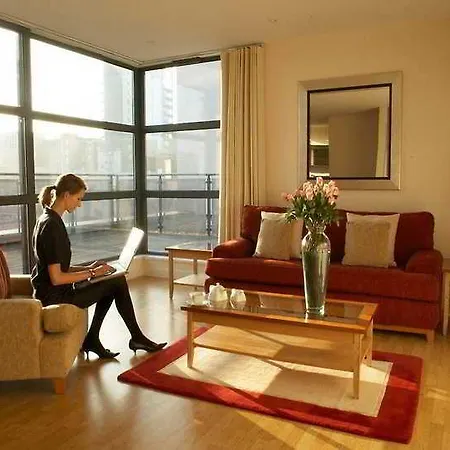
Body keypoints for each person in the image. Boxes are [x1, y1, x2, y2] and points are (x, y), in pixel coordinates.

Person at [31, 173, 167, 359]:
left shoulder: (46, 219)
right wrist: (92, 273)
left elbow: (58, 268)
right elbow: (57, 278)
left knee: (112, 281)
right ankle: (132, 337)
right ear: (66, 195)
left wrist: (90, 268)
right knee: (116, 282)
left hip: (51, 291)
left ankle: (97, 339)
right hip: (55, 297)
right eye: (78, 199)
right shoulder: (52, 226)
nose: (79, 204)